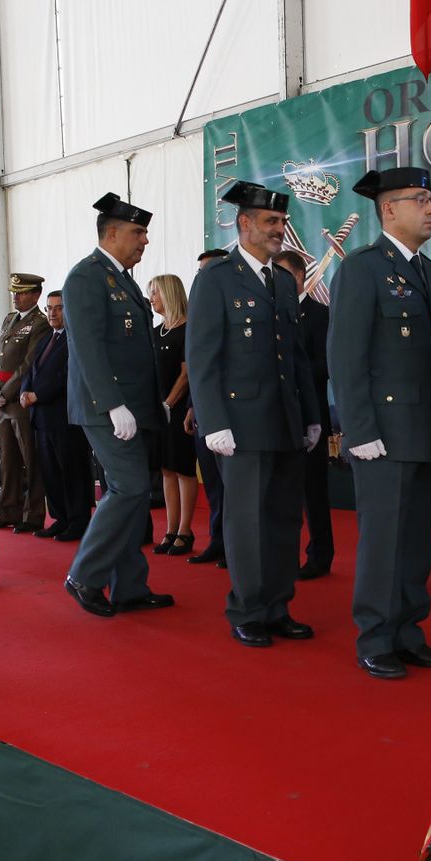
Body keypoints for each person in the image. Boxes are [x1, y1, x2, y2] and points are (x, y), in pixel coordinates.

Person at [328, 167, 431, 679]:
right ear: (388, 209)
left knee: (418, 537)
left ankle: (407, 630)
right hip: (382, 432)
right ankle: (376, 634)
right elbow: (346, 357)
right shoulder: (362, 269)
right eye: (419, 200)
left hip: (426, 427)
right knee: (384, 539)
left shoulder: (425, 270)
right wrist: (359, 431)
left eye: (430, 200)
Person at [188, 182, 321, 647]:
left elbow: (297, 356)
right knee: (247, 520)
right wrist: (213, 421)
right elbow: (203, 357)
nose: (279, 230)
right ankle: (248, 609)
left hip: (284, 419)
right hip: (241, 423)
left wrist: (310, 415)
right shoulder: (216, 278)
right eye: (270, 222)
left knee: (283, 517)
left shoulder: (283, 281)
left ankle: (278, 605)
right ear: (244, 224)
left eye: (282, 222)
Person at [61, 193, 173, 618]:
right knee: (129, 488)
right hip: (104, 407)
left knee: (128, 492)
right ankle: (84, 575)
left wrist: (151, 401)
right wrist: (112, 404)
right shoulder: (86, 277)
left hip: (132, 406)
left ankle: (128, 586)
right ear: (111, 233)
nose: (144, 240)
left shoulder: (121, 278)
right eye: (137, 232)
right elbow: (88, 347)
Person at [273, 249, 334, 580]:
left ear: (299, 277)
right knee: (282, 492)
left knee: (314, 490)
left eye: (282, 276)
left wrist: (290, 372)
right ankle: (282, 555)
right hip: (277, 416)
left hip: (310, 413)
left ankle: (320, 555)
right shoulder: (270, 314)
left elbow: (327, 365)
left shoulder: (320, 314)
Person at [20, 289, 94, 541]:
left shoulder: (76, 339)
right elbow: (31, 370)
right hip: (42, 420)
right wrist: (24, 391)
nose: (53, 312)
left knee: (72, 471)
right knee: (51, 472)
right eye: (49, 308)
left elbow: (67, 376)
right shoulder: (46, 339)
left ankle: (78, 521)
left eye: (59, 307)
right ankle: (60, 518)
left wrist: (37, 395)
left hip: (66, 419)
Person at [0, 273, 50, 533]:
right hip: (1, 403)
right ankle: (9, 510)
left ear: (35, 295)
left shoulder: (39, 323)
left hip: (20, 403)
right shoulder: (9, 319)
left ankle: (33, 514)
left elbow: (28, 364)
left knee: (30, 461)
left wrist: (6, 392)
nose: (16, 297)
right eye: (14, 292)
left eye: (21, 293)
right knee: (7, 461)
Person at [185, 249, 232, 567]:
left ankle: (234, 544)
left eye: (208, 271)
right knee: (214, 484)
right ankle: (218, 540)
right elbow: (198, 369)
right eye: (199, 272)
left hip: (232, 414)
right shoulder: (200, 314)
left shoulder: (233, 310)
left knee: (234, 488)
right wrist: (192, 407)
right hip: (203, 413)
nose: (203, 278)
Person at [147, 274, 197, 557]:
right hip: (159, 410)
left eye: (155, 293)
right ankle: (170, 528)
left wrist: (168, 404)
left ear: (169, 294)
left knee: (183, 468)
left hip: (178, 410)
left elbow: (186, 374)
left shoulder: (187, 330)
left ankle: (185, 531)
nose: (152, 298)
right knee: (166, 468)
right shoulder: (156, 331)